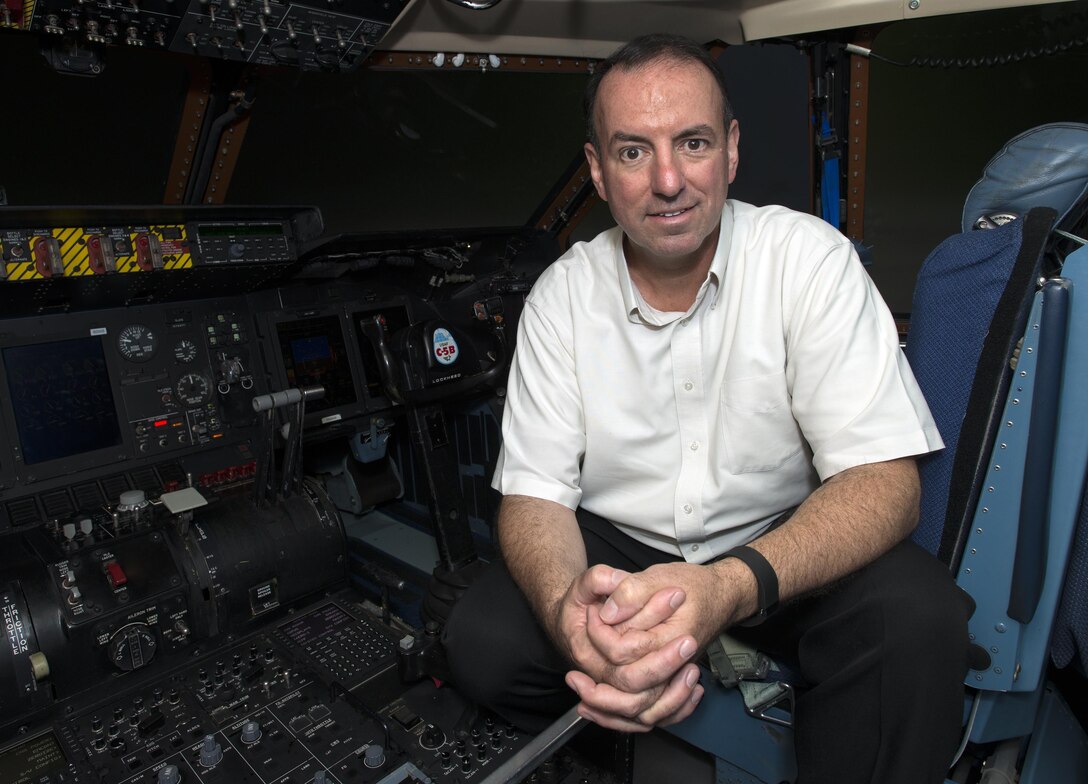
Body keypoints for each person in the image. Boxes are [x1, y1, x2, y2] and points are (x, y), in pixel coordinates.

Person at [443, 33, 972, 784]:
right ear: (596, 170)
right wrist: (572, 621)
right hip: (622, 551)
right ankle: (619, 744)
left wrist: (729, 586)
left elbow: (887, 483)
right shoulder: (561, 297)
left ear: (729, 151)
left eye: (691, 142)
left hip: (781, 544)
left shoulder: (809, 261)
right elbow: (534, 499)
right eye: (632, 152)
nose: (667, 180)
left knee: (919, 620)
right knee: (484, 640)